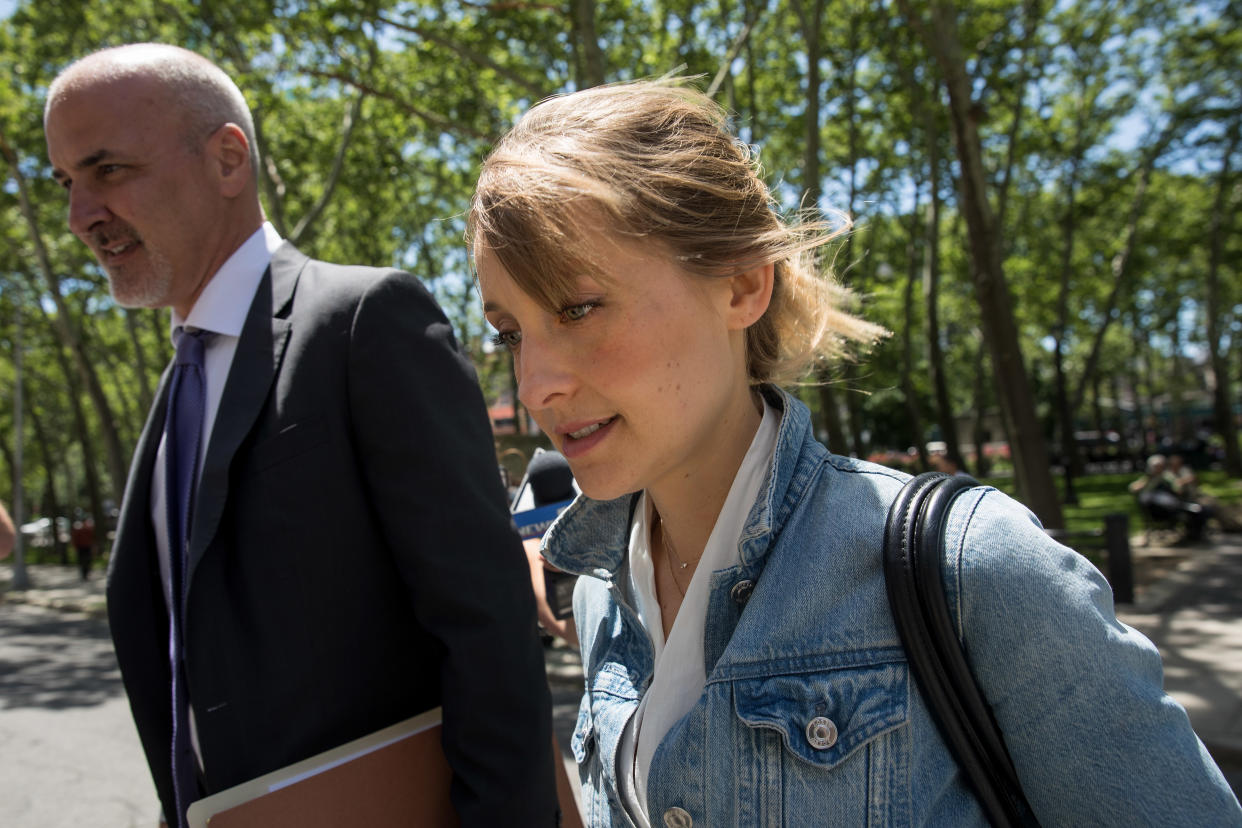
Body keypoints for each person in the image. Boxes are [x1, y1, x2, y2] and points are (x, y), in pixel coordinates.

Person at [469, 80, 1241, 826]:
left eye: (578, 307)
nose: (535, 384)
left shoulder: (976, 570)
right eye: (511, 333)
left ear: (741, 284)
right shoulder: (603, 592)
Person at [44, 44, 556, 827]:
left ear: (226, 159)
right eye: (66, 183)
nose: (80, 215)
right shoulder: (181, 379)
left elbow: (486, 630)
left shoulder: (364, 323)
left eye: (107, 170)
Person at [70, 515, 96, 580]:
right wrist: (75, 547)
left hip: (87, 547)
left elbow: (92, 539)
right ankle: (83, 573)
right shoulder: (79, 530)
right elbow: (75, 539)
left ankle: (86, 573)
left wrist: (93, 546)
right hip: (81, 547)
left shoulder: (89, 530)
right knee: (82, 561)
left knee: (87, 560)